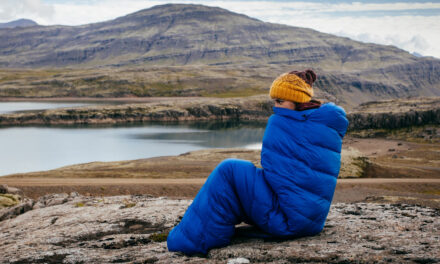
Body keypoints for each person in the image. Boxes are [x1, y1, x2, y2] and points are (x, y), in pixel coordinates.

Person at [167, 69, 349, 255]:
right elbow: (287, 176)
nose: (275, 107)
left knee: (228, 171)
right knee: (239, 173)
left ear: (297, 101)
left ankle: (190, 243)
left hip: (289, 220)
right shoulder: (323, 124)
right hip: (309, 220)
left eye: (280, 101)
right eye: (274, 102)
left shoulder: (283, 122)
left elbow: (275, 171)